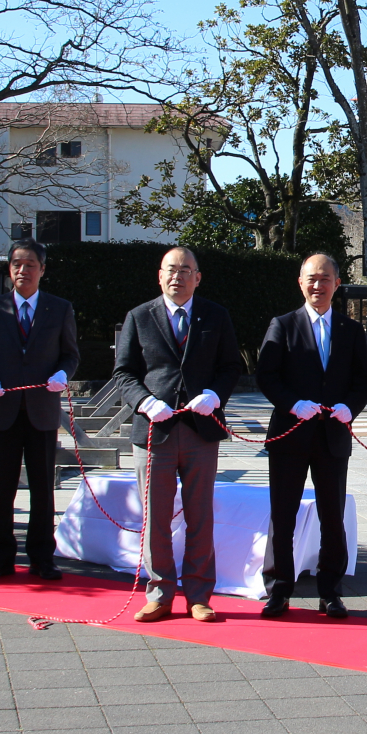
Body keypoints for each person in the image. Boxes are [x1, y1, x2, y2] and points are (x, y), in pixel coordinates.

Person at [110, 247, 245, 623]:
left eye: (187, 270)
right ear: (159, 275)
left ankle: (199, 595)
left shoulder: (216, 316)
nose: (178, 276)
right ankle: (159, 593)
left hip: (201, 431)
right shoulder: (139, 316)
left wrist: (216, 396)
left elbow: (231, 365)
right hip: (155, 432)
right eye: (172, 269)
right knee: (156, 518)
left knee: (200, 515)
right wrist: (144, 402)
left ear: (197, 277)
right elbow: (123, 373)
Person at [254, 253, 367, 619]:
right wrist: (293, 404)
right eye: (311, 278)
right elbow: (267, 375)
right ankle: (278, 591)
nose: (317, 285)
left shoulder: (351, 330)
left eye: (324, 278)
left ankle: (331, 591)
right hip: (290, 435)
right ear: (300, 282)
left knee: (332, 517)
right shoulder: (283, 324)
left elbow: (363, 380)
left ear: (337, 283)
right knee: (284, 516)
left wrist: (349, 407)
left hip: (332, 437)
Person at [0, 239, 81, 582]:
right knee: (0, 487)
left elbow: (70, 354)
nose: (22, 270)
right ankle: (0, 556)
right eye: (16, 263)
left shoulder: (59, 308)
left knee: (43, 487)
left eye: (30, 264)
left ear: (42, 269)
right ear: (9, 268)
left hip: (42, 411)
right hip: (2, 410)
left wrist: (64, 374)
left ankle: (42, 558)